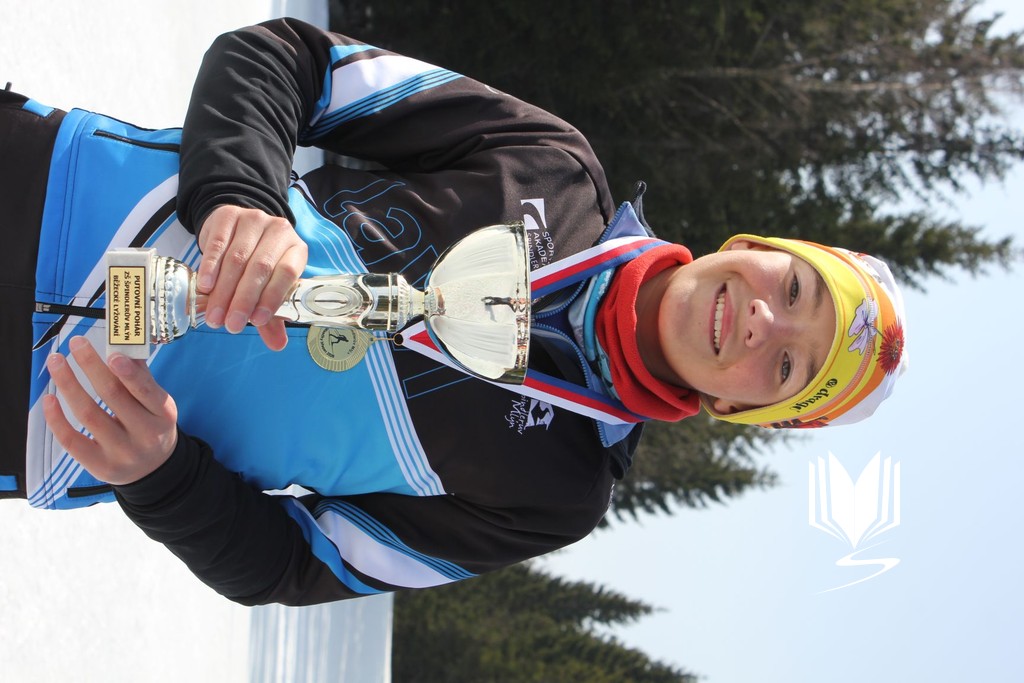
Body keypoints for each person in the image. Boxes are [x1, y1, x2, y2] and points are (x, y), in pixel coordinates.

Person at [0, 18, 907, 605]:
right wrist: (243, 195)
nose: (762, 323)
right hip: (47, 180)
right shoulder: (553, 164)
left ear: (741, 407)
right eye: (795, 290)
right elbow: (287, 60)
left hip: (39, 414)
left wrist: (161, 476)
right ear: (756, 245)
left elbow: (296, 562)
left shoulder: (553, 495)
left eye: (786, 366)